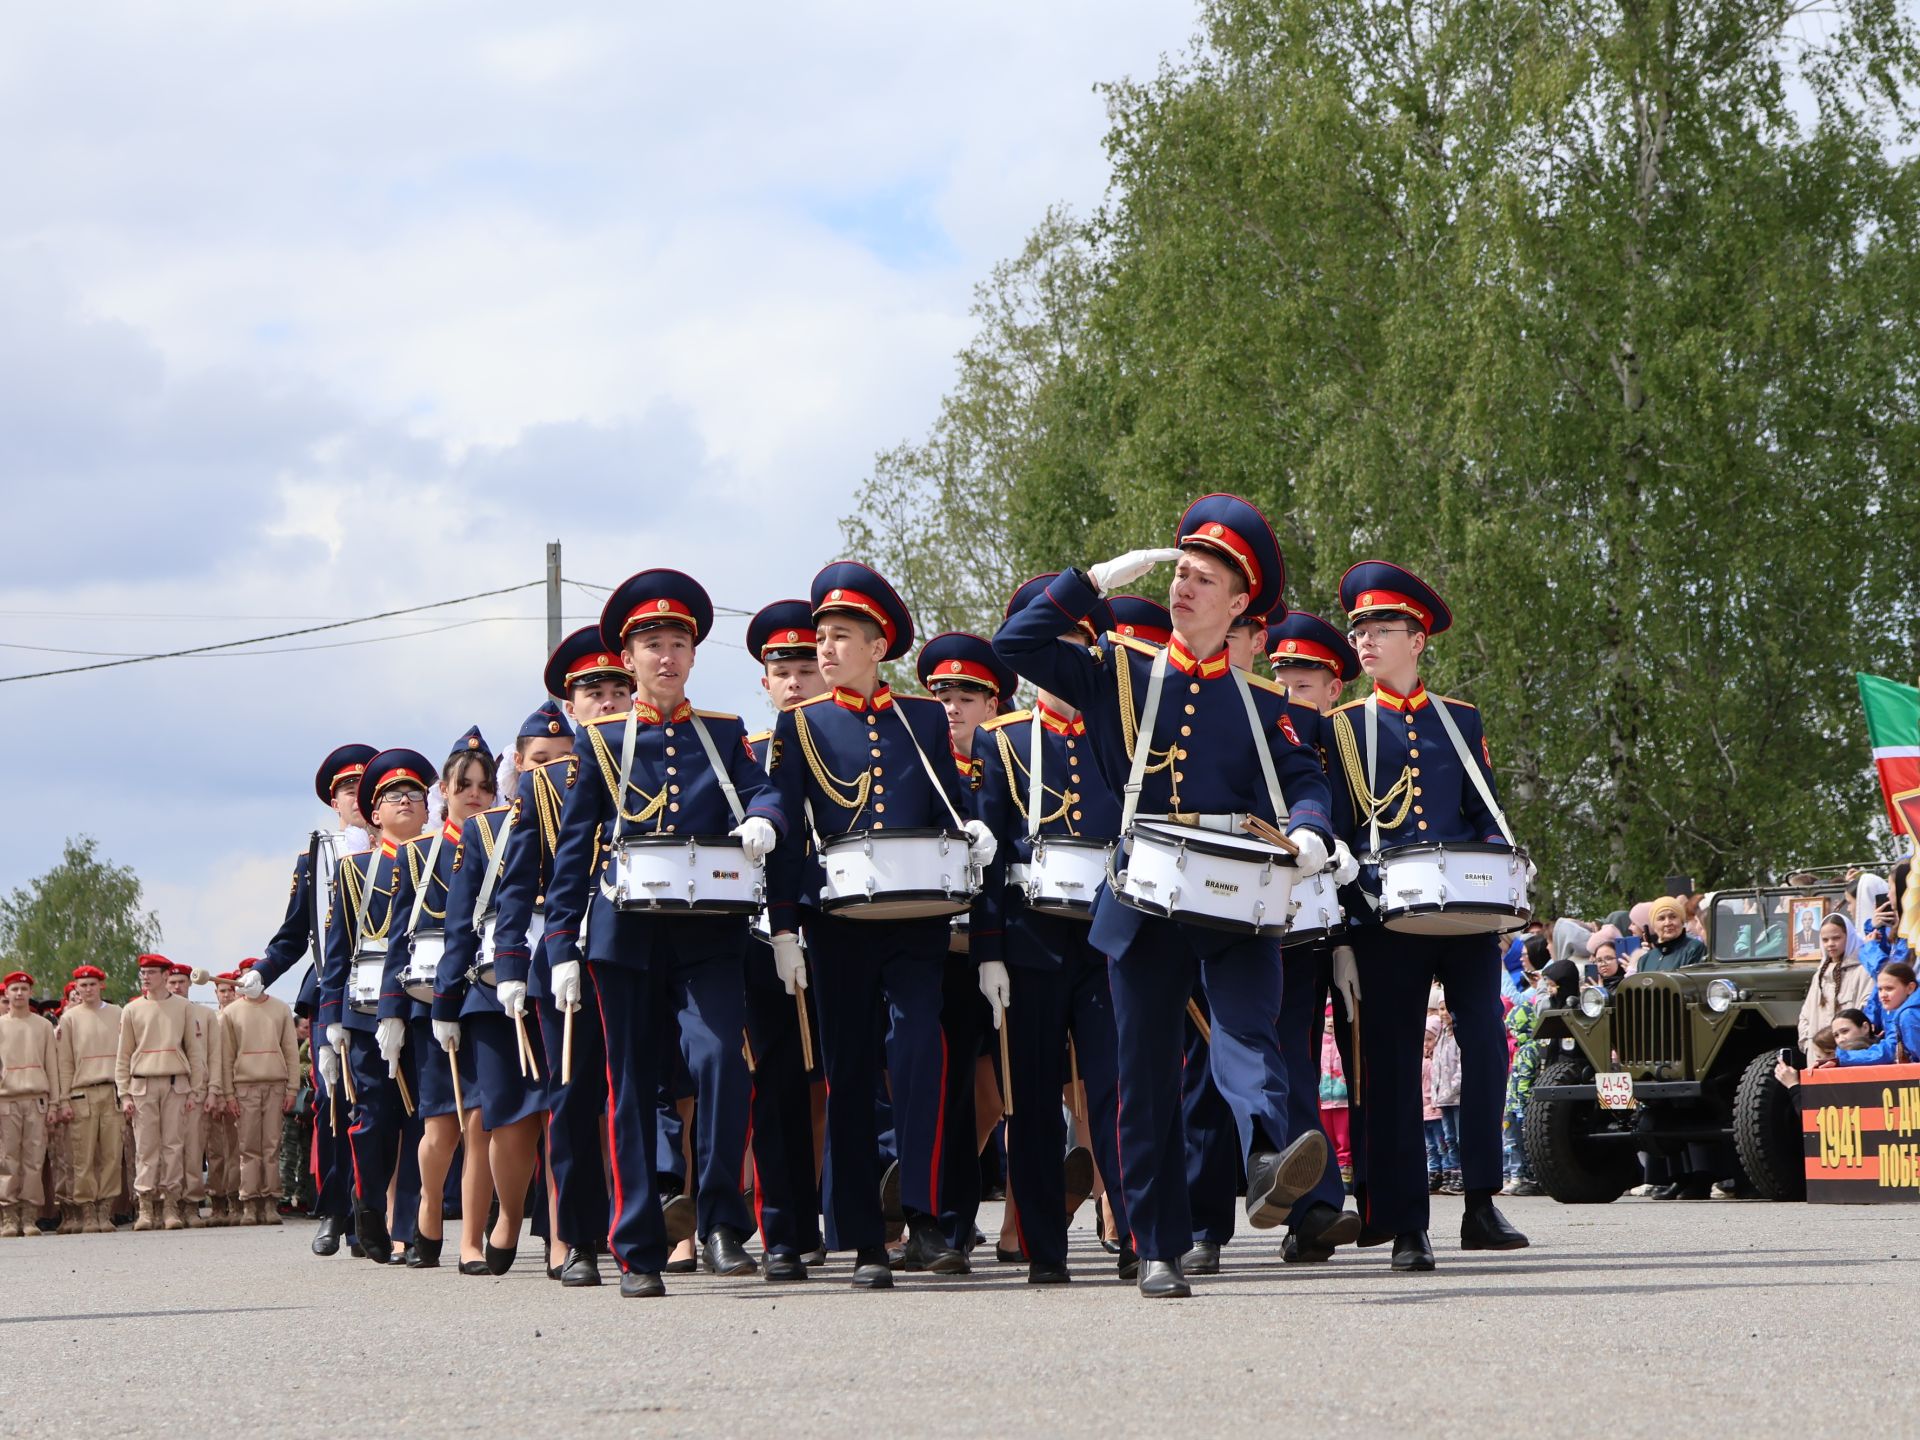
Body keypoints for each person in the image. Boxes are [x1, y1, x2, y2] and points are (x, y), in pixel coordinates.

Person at [993, 495, 1339, 1298]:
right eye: (1181, 572)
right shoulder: (1121, 669)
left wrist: (1315, 828)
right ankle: (1158, 1245)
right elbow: (1015, 646)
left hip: (1236, 893)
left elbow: (1304, 778)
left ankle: (1263, 1159)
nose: (1183, 587)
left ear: (1240, 602)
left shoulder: (1260, 703)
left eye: (1204, 578)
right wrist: (1086, 583)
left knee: (1249, 1034)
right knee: (1145, 1078)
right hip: (1147, 897)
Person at [539, 569, 787, 1297]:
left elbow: (759, 785)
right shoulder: (602, 741)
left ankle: (717, 1220)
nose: (667, 657)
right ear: (630, 657)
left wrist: (764, 814)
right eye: (653, 645)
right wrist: (560, 944)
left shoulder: (722, 733)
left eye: (678, 643)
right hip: (625, 936)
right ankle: (638, 1246)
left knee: (720, 1065)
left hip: (709, 927)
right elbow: (574, 848)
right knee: (630, 1085)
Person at [765, 560, 990, 1290]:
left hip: (918, 914)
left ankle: (926, 1218)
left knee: (921, 1052)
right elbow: (788, 824)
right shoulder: (799, 722)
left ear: (876, 645)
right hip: (838, 920)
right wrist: (785, 927)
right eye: (821, 637)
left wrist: (974, 832)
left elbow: (949, 801)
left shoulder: (920, 717)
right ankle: (865, 1237)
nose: (823, 650)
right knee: (851, 1071)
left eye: (838, 637)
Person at [1321, 560, 1529, 1270]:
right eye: (1359, 628)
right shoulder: (1342, 726)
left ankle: (1480, 1200)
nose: (1365, 640)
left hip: (1465, 915)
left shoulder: (1460, 720)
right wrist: (1349, 929)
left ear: (1418, 640)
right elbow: (1338, 835)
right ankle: (1407, 1221)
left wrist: (1507, 866)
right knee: (1388, 1065)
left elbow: (1484, 812)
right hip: (1386, 919)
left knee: (1486, 1045)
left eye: (1380, 627)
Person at [967, 576, 1132, 1285]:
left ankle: (1137, 1232)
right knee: (1030, 1101)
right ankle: (1042, 1247)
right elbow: (987, 853)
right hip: (1030, 938)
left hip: (1108, 936)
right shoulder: (1002, 741)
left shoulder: (1123, 736)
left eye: (1071, 647)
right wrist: (989, 949)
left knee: (1118, 1092)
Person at [492, 630, 635, 1281]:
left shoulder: (665, 759)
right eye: (592, 693)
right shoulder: (544, 784)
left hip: (646, 945)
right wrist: (511, 967)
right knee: (574, 1095)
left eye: (616, 690)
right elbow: (520, 883)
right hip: (569, 955)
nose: (606, 702)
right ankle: (578, 1239)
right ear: (570, 705)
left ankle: (659, 1224)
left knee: (653, 1088)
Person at [434, 704, 560, 1279]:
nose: (550, 770)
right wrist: (444, 1004)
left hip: (564, 975)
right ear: (520, 763)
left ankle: (562, 1235)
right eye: (539, 762)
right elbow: (460, 922)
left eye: (562, 761)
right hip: (492, 987)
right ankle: (504, 1220)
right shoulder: (487, 828)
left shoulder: (590, 814)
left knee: (562, 1113)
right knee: (504, 1117)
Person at [1262, 608, 1367, 1265]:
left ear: (1334, 686)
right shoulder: (1262, 732)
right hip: (1271, 917)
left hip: (1336, 924)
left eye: (1305, 679)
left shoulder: (1354, 742)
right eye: (1283, 675)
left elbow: (1368, 832)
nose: (1292, 688)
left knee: (1336, 1070)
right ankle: (1304, 1204)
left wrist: (1351, 930)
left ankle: (1323, 1209)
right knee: (1282, 1060)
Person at [244, 742, 378, 1257]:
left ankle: (379, 1212)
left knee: (384, 1102)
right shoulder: (316, 856)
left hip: (389, 987)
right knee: (332, 1102)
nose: (357, 797)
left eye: (366, 786)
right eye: (348, 789)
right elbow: (294, 934)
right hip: (330, 989)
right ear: (334, 803)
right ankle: (337, 1212)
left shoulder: (410, 846)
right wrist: (263, 971)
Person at [915, 630, 1016, 1267]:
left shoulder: (1015, 764)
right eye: (942, 695)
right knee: (952, 1095)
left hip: (1011, 950)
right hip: (947, 953)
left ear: (994, 703)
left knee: (1009, 1095)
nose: (952, 707)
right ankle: (948, 1223)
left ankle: (1024, 1222)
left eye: (968, 695)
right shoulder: (921, 770)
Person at [378, 726, 496, 1268]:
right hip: (429, 1000)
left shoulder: (505, 843)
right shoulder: (418, 856)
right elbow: (397, 939)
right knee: (439, 1131)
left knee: (479, 1124)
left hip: (486, 993)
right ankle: (428, 1206)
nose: (475, 793)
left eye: (485, 785)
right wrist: (391, 1013)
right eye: (463, 784)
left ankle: (470, 1238)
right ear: (444, 791)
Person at [317, 747, 437, 1263]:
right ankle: (366, 1203)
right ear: (374, 812)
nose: (406, 802)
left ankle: (407, 1228)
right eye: (393, 795)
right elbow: (337, 952)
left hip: (425, 1003)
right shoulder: (355, 870)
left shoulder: (444, 860)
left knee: (422, 1120)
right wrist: (329, 1027)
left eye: (415, 794)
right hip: (364, 1009)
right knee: (373, 1118)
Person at [739, 599, 829, 1275]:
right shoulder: (743, 757)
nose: (795, 683)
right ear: (765, 685)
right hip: (762, 934)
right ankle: (780, 1230)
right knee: (776, 1084)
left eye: (806, 668)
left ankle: (830, 1214)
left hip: (836, 923)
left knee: (834, 1079)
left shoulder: (846, 741)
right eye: (783, 673)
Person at [114, 954, 208, 1231]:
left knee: (173, 1147)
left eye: (151, 972)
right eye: (143, 972)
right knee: (145, 1149)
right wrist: (124, 1093)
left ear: (165, 975)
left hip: (175, 1084)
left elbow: (194, 1051)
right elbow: (123, 1056)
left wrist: (195, 1090)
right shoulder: (131, 1010)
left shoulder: (183, 1007)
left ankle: (170, 1206)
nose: (145, 977)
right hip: (142, 1084)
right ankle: (146, 1207)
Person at [220, 959, 299, 1225]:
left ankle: (271, 1201)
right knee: (248, 1147)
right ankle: (249, 1202)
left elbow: (291, 1051)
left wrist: (292, 1088)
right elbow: (226, 1056)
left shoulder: (279, 1009)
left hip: (275, 1084)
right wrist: (229, 1094)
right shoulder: (231, 1013)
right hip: (244, 1086)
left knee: (272, 1146)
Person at [53, 965, 122, 1233]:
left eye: (92, 984)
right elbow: (65, 1062)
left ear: (101, 985)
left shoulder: (118, 1013)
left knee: (112, 1154)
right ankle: (87, 1210)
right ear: (76, 988)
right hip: (81, 1092)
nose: (87, 990)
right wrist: (64, 1099)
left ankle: (105, 1209)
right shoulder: (70, 1018)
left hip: (112, 1090)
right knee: (82, 1156)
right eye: (82, 985)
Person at [0, 972, 59, 1238]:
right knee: (7, 1158)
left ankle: (29, 1215)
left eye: (24, 988)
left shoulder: (42, 1026)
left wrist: (55, 1103)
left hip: (37, 1099)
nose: (20, 994)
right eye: (15, 989)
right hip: (7, 1099)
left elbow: (52, 1067)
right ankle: (9, 1215)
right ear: (7, 993)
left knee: (34, 1160)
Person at [165, 962, 221, 1227]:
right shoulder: (161, 1013)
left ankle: (191, 1204)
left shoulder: (205, 1015)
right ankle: (168, 1205)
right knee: (167, 1150)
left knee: (193, 1150)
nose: (177, 987)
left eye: (181, 982)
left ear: (189, 984)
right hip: (167, 1089)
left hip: (196, 1091)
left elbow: (214, 1055)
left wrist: (214, 1090)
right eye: (172, 982)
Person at [1797, 914, 1872, 1063]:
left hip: (1851, 1056)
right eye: (1825, 940)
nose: (1830, 944)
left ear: (1848, 937)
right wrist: (1810, 1045)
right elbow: (1805, 1015)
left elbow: (1865, 1010)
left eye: (1836, 938)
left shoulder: (1862, 970)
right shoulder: (1820, 974)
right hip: (1818, 1055)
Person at [204, 971, 241, 1225]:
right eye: (222, 990)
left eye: (230, 990)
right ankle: (217, 1201)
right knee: (215, 1150)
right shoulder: (211, 1020)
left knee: (237, 1150)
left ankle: (236, 1199)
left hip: (238, 1088)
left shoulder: (241, 1017)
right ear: (215, 994)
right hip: (214, 1089)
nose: (227, 995)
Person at [1835, 962, 1920, 1066]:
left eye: (1889, 988)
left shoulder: (1908, 1015)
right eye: (1880, 989)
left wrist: (1843, 1058)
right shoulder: (1900, 1011)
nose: (1882, 995)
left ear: (1910, 988)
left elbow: (1890, 1050)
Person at [1638, 896, 1707, 971]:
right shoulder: (1644, 960)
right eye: (1661, 918)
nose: (1667, 923)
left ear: (1682, 921)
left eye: (1673, 917)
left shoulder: (1694, 949)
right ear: (1653, 925)